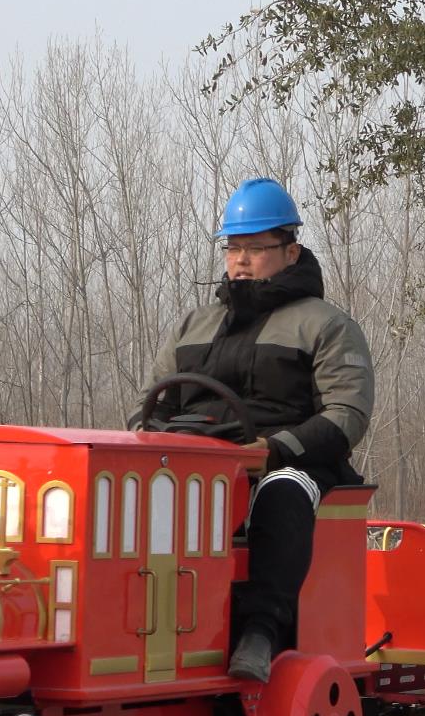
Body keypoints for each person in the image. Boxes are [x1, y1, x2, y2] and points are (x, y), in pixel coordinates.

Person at [138, 177, 374, 682]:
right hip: (196, 464)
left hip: (290, 463)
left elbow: (346, 414)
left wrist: (273, 450)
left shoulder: (326, 325)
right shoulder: (192, 326)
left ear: (290, 251)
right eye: (233, 247)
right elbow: (150, 407)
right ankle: (142, 628)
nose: (241, 259)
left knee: (281, 494)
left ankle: (260, 633)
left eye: (255, 247)